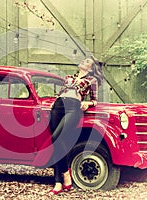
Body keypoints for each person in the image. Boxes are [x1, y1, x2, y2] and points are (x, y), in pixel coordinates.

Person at [49, 57, 103, 195]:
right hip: (58, 106)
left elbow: (95, 100)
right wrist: (55, 101)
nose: (83, 62)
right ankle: (58, 182)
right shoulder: (68, 77)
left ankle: (66, 174)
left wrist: (88, 104)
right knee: (55, 141)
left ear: (90, 69)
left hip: (73, 107)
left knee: (58, 137)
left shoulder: (92, 80)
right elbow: (61, 92)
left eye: (86, 62)